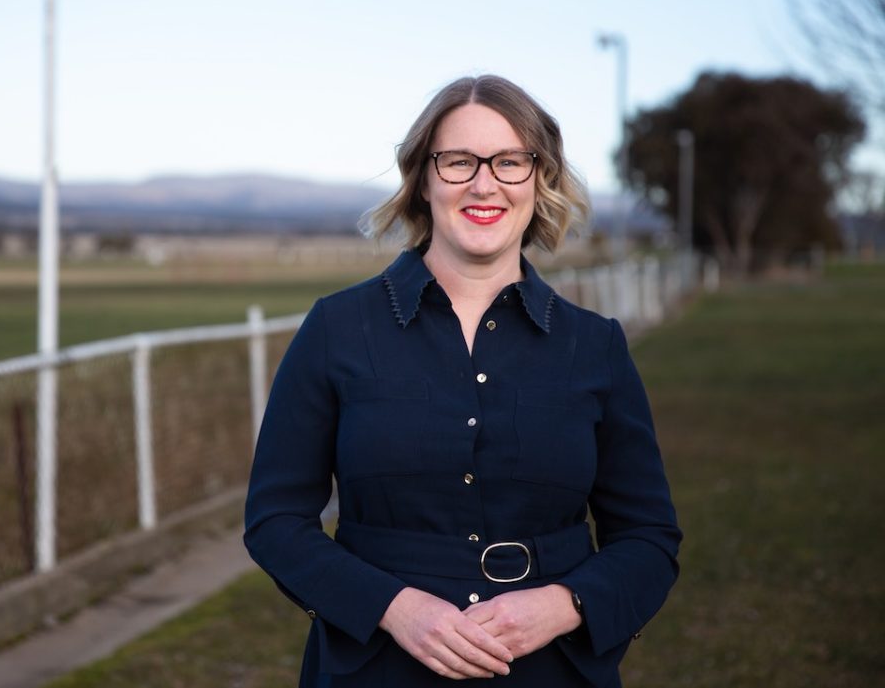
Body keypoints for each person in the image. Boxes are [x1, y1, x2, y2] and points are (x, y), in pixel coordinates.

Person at [244, 75, 681, 687]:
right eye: (458, 162)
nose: (484, 183)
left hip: (549, 670)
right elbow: (275, 520)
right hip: (377, 667)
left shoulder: (595, 346)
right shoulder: (337, 329)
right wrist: (395, 610)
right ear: (423, 179)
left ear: (539, 179)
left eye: (510, 162)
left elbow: (648, 537)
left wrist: (563, 605)